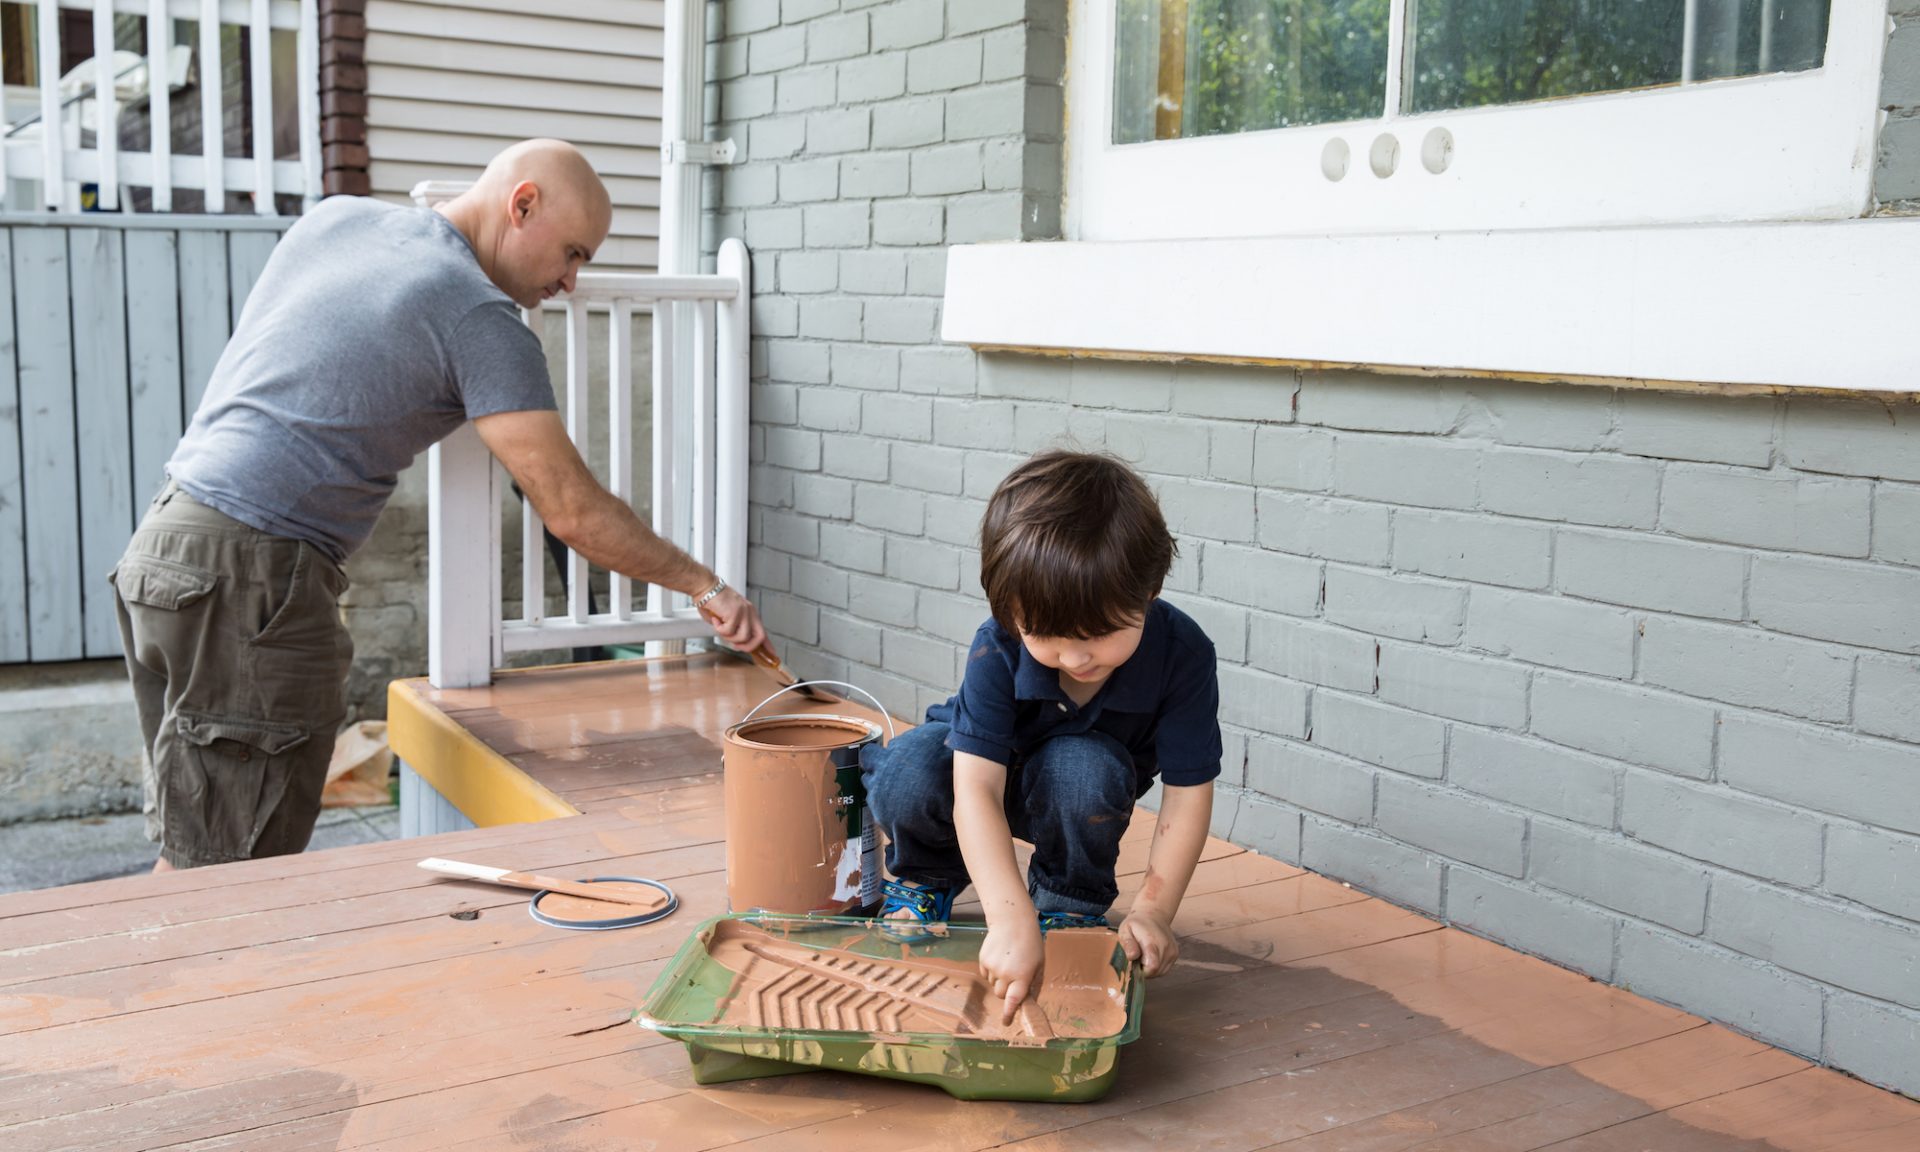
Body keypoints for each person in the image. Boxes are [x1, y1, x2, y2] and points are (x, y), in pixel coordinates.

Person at [110, 139, 766, 873]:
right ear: (522, 205)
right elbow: (573, 511)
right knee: (232, 873)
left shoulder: (338, 220)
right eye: (573, 253)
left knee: (197, 845)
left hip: (166, 549)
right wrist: (704, 586)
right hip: (254, 578)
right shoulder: (479, 316)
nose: (573, 282)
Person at [860, 450, 1221, 1023]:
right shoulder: (996, 645)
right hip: (981, 778)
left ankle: (1067, 905)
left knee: (1083, 765)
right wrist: (1006, 919)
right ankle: (927, 877)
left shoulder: (1183, 654)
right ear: (1009, 612)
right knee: (907, 767)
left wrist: (1154, 911)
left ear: (1149, 591)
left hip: (1077, 794)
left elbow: (1188, 791)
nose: (1076, 657)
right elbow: (975, 788)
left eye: (1100, 634)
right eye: (1046, 635)